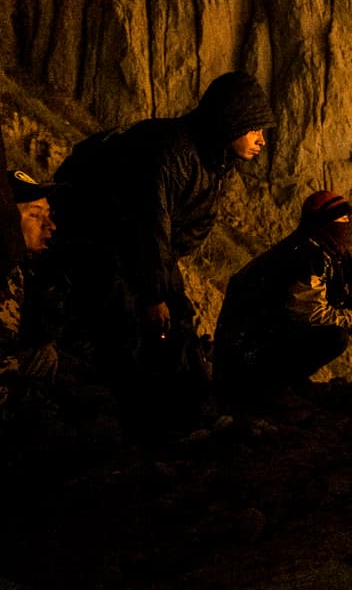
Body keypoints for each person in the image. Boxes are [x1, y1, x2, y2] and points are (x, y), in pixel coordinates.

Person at [51, 71, 276, 438]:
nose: (262, 140)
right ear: (233, 121)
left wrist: (164, 282)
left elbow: (174, 233)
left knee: (177, 319)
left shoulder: (215, 160)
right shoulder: (170, 153)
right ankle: (143, 427)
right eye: (255, 130)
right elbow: (148, 225)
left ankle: (191, 416)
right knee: (134, 321)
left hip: (138, 249)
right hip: (97, 238)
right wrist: (154, 293)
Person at [213, 190, 352, 407]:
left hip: (260, 338)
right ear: (325, 223)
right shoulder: (306, 255)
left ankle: (289, 382)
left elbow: (345, 291)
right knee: (333, 337)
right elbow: (310, 314)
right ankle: (270, 388)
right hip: (247, 348)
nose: (347, 224)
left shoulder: (327, 250)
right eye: (342, 218)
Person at [1, 171, 59, 420]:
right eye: (35, 215)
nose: (50, 227)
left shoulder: (28, 270)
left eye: (48, 215)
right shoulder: (6, 273)